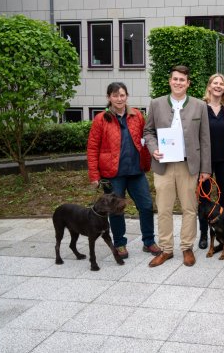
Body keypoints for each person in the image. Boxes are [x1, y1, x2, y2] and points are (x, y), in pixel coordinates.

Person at [143, 66, 211, 268]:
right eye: (175, 79)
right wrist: (153, 148)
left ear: (188, 83)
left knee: (189, 208)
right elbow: (148, 132)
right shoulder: (156, 104)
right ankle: (166, 249)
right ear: (169, 81)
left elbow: (205, 139)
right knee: (163, 209)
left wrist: (205, 169)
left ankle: (187, 247)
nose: (178, 83)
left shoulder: (200, 106)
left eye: (182, 80)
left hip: (188, 166)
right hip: (163, 165)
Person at [86, 82, 159, 259]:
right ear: (109, 98)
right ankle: (119, 244)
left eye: (122, 95)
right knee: (116, 210)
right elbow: (92, 147)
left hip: (136, 171)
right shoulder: (101, 119)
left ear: (127, 96)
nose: (119, 99)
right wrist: (94, 175)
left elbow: (146, 137)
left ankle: (149, 241)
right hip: (113, 175)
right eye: (115, 95)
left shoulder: (137, 116)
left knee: (146, 206)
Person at [198, 73, 224, 250]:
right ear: (209, 86)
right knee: (204, 198)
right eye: (215, 83)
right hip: (205, 160)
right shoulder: (200, 107)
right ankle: (204, 234)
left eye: (221, 83)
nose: (218, 86)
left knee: (223, 196)